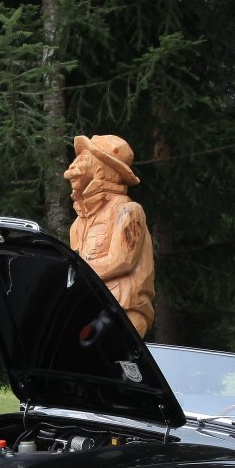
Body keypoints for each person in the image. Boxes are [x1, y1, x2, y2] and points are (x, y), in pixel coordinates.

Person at [64, 134, 155, 336]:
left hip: (123, 310)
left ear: (100, 169)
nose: (71, 168)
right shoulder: (78, 224)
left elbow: (122, 261)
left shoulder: (128, 211)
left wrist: (74, 270)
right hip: (88, 312)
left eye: (82, 160)